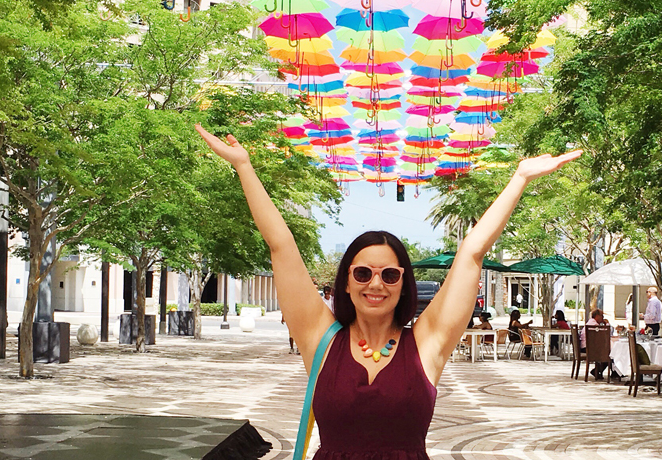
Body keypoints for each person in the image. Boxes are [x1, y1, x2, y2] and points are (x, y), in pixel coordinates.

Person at [196, 123, 579, 460]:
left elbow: (472, 253)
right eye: (362, 273)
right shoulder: (321, 340)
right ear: (346, 281)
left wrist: (520, 178)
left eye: (389, 275)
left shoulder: (426, 344)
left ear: (403, 282)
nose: (375, 283)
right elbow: (281, 246)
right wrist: (244, 167)